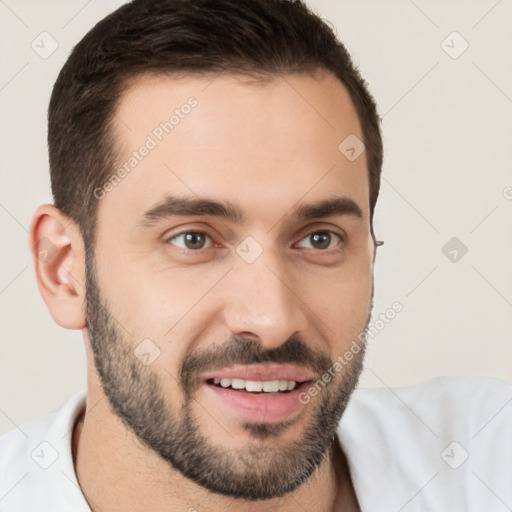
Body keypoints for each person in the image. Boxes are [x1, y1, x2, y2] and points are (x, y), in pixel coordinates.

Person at [1, 0, 510, 510]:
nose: (272, 320)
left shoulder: (486, 462)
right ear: (63, 271)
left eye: (319, 239)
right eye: (194, 239)